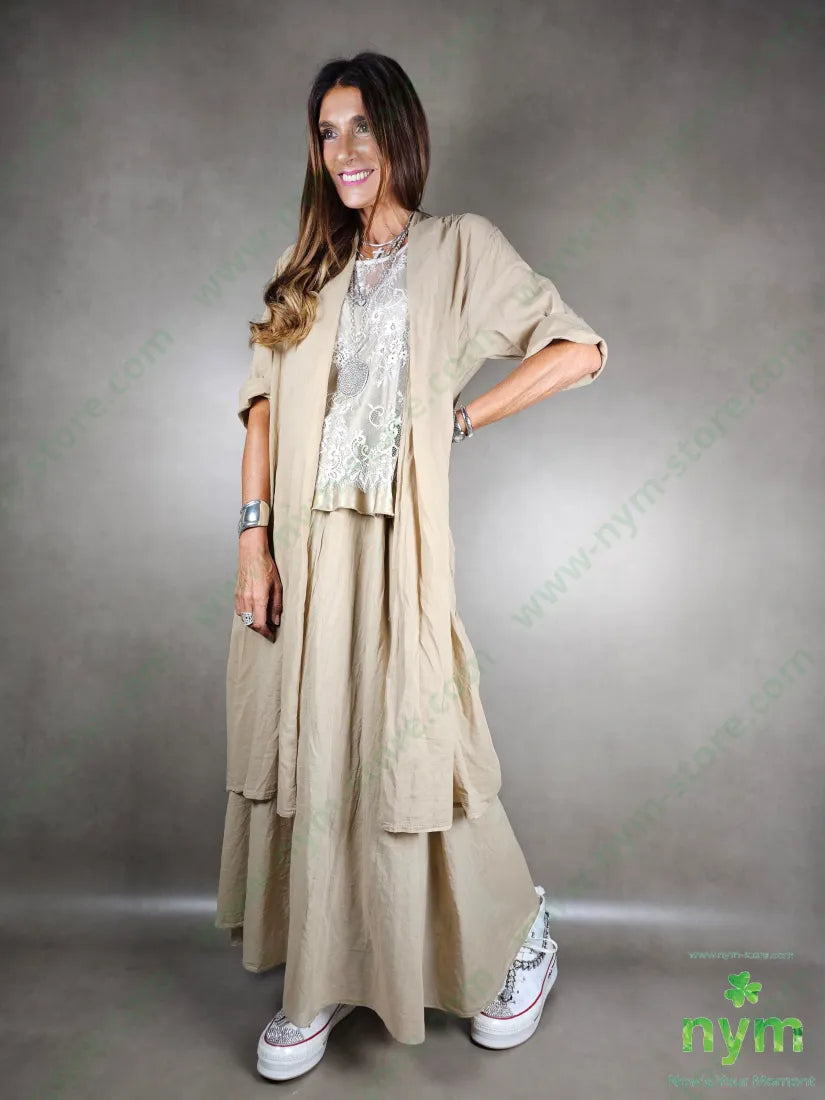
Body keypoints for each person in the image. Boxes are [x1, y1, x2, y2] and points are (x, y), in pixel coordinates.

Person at [214, 51, 608, 1082]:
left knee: (412, 744)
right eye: (326, 131)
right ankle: (324, 969)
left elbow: (576, 347)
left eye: (361, 127)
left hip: (399, 550)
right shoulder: (305, 269)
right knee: (319, 748)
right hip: (303, 551)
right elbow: (261, 410)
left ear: (399, 134)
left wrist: (459, 419)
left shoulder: (459, 248)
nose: (343, 150)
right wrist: (253, 541)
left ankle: (517, 933)